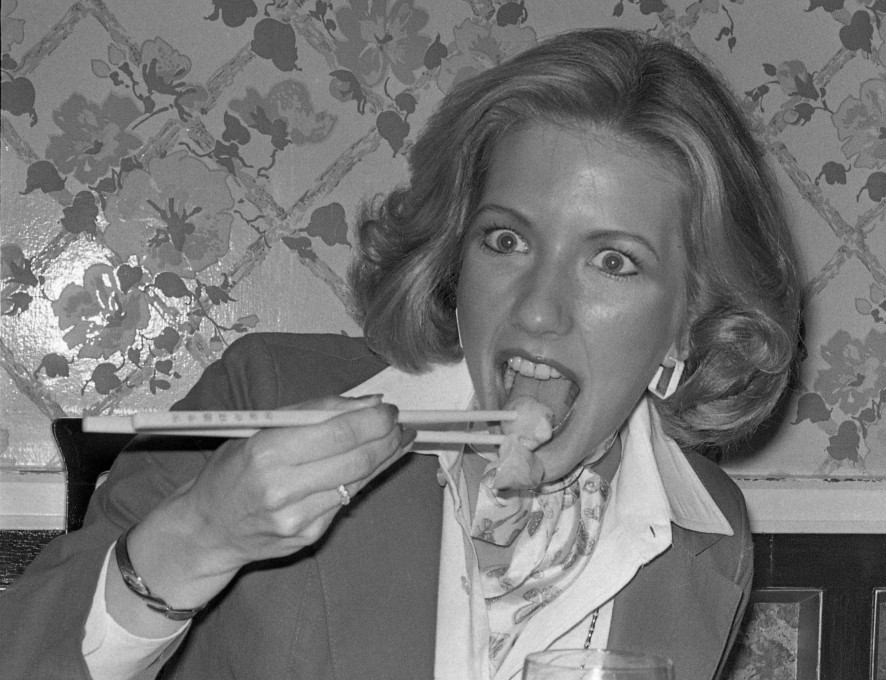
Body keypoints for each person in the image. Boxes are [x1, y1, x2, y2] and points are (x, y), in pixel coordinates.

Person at [0, 27, 800, 680]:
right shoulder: (270, 395)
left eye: (614, 261)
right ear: (457, 256)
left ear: (689, 320)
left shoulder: (704, 533)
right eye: (507, 239)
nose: (539, 308)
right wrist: (202, 534)